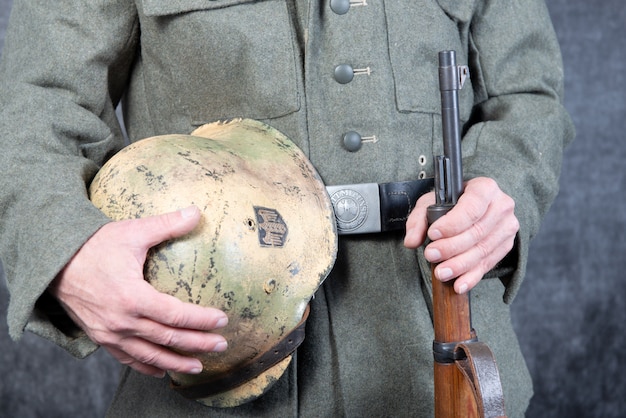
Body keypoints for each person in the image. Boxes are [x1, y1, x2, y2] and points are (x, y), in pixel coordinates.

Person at [0, 0, 574, 416]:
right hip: (218, 353)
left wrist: (500, 192)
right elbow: (36, 112)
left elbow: (527, 95)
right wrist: (70, 250)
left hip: (439, 358)